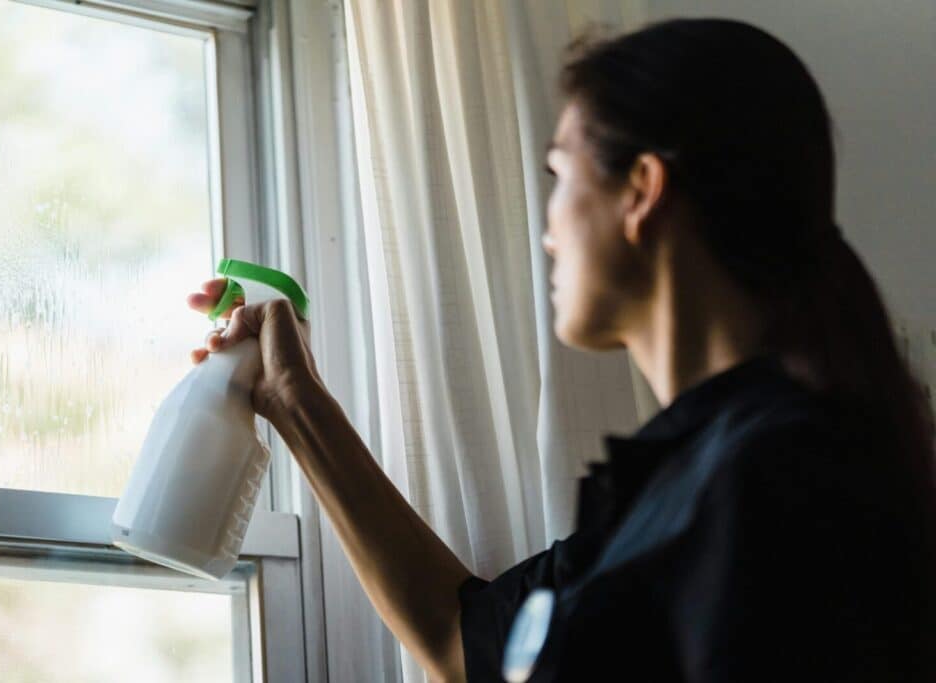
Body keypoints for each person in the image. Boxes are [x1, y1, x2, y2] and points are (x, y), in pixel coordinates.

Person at [186, 17, 936, 682]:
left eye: (559, 175)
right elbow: (463, 643)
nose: (548, 226)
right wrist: (293, 397)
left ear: (641, 190)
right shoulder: (682, 489)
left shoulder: (777, 479)